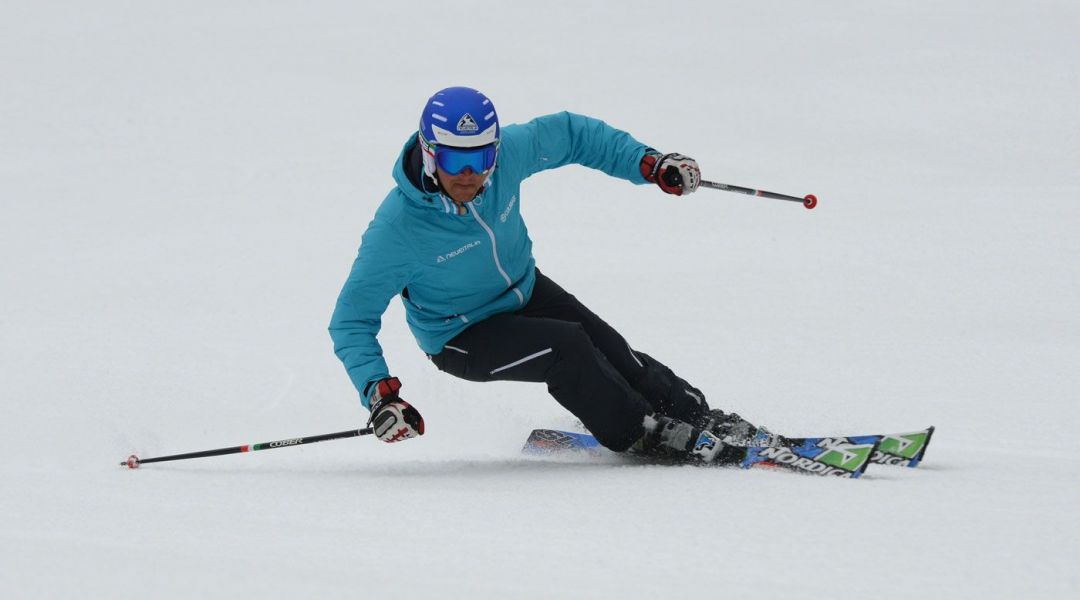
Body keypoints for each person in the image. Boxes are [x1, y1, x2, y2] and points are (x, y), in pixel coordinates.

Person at [329, 86, 753, 463]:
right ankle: (638, 433)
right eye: (455, 159)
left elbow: (571, 134)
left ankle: (690, 412)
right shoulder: (397, 229)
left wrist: (648, 164)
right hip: (460, 335)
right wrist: (380, 396)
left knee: (611, 349)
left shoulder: (505, 159)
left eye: (480, 157)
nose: (469, 174)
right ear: (429, 152)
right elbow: (351, 320)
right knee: (567, 348)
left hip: (523, 290)